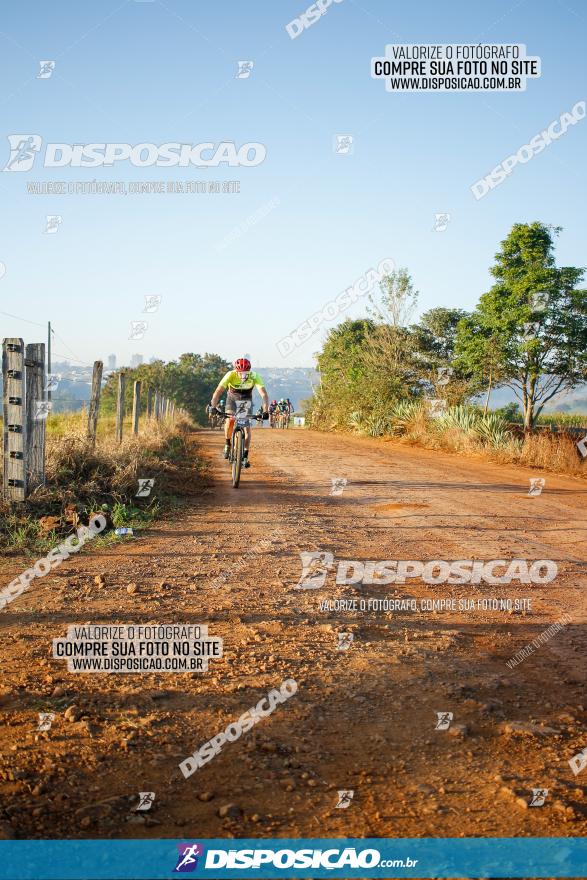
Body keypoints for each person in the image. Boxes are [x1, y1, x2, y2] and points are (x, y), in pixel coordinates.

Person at [210, 358, 269, 467]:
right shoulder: (230, 375)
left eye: (246, 373)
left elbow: (264, 395)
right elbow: (218, 391)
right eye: (240, 373)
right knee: (230, 421)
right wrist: (213, 407)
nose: (243, 375)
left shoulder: (254, 376)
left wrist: (266, 411)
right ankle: (228, 444)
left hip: (245, 400)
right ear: (236, 371)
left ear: (249, 371)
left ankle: (245, 455)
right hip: (232, 399)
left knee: (246, 428)